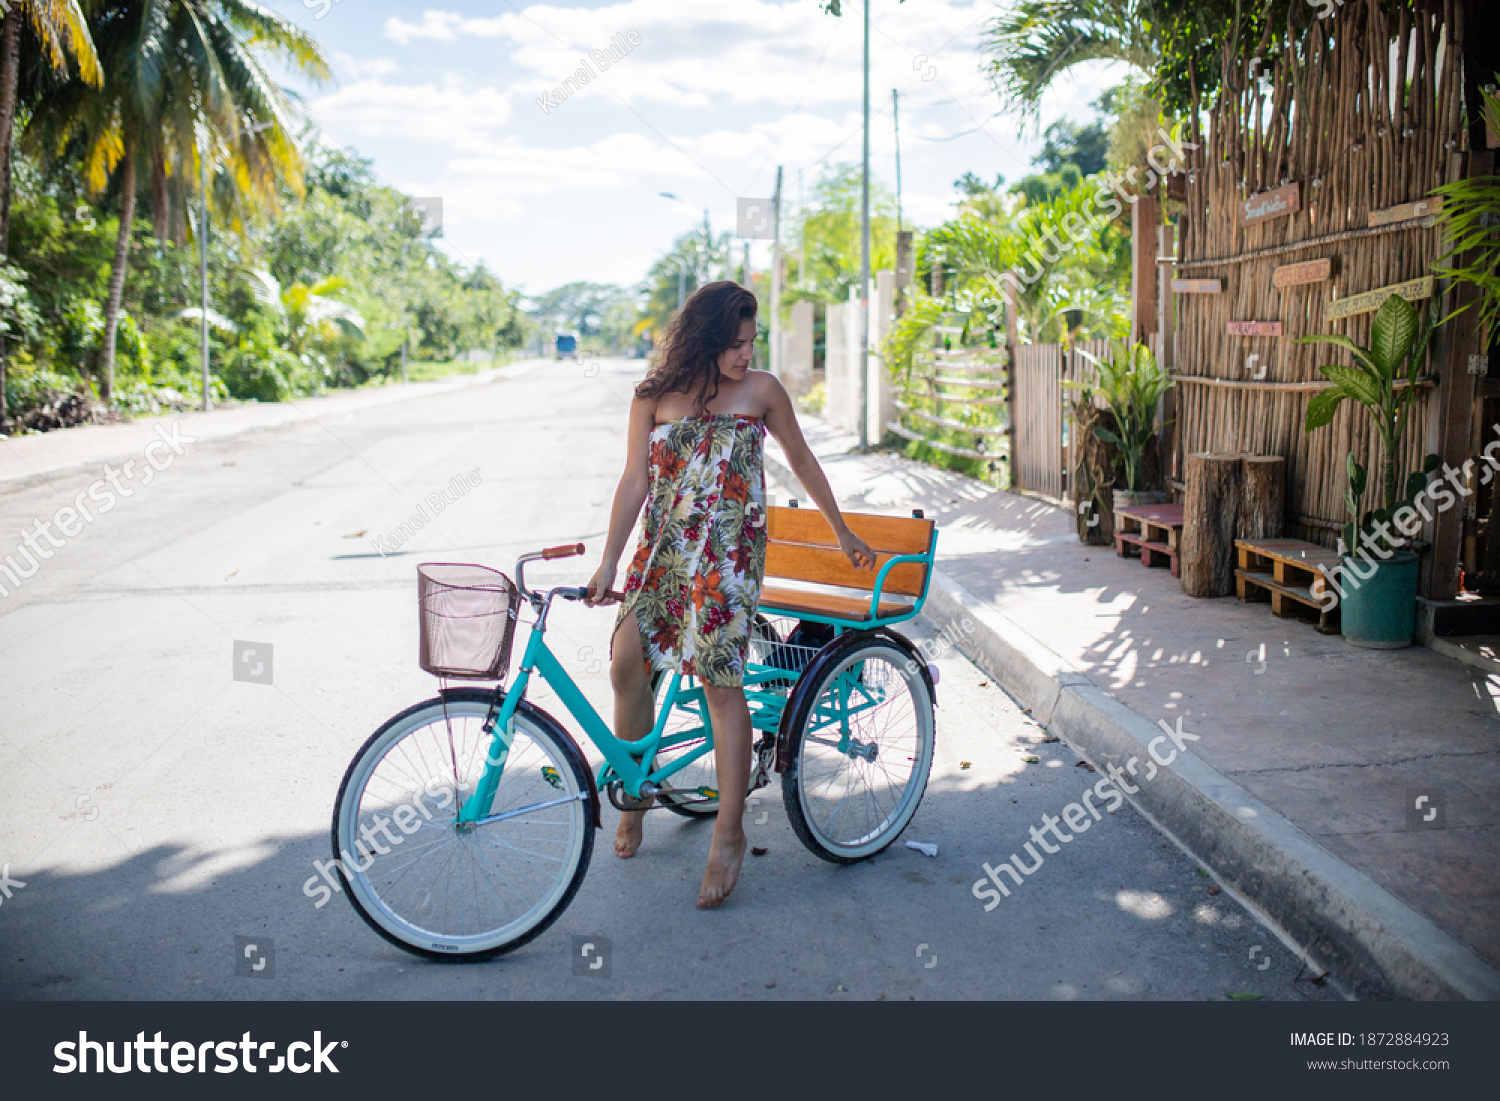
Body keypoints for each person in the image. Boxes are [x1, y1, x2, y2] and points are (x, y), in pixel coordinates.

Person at [586, 281, 874, 908]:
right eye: (736, 344)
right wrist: (609, 560)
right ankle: (635, 795)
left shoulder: (762, 391)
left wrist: (842, 530)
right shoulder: (652, 397)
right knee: (626, 664)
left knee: (720, 684)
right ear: (705, 340)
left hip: (728, 558)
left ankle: (729, 832)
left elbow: (801, 459)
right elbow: (635, 479)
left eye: (752, 342)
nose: (747, 355)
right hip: (662, 554)